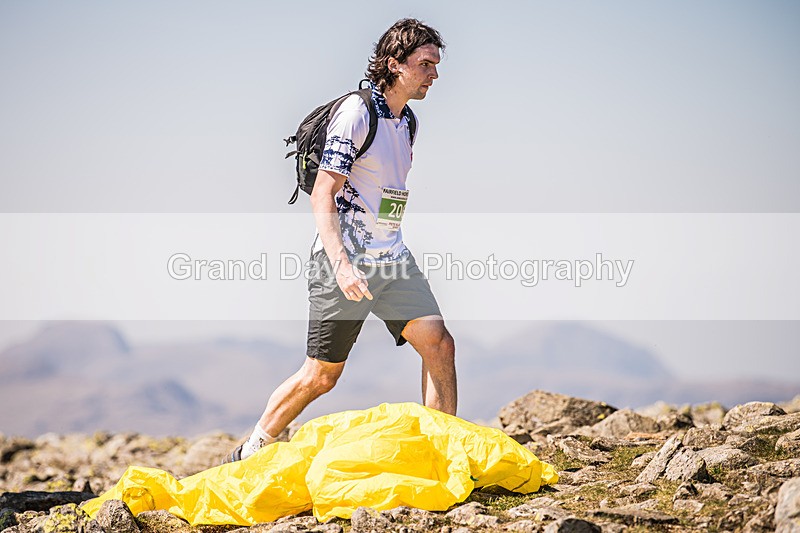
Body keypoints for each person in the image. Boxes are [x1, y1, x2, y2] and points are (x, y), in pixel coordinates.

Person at [226, 18, 456, 462]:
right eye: (426, 63)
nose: (434, 73)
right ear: (395, 63)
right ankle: (251, 451)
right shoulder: (357, 112)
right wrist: (342, 264)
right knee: (321, 375)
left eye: (436, 64)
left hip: (391, 258)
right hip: (343, 261)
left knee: (438, 343)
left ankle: (444, 451)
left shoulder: (407, 122)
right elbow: (322, 194)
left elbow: (386, 193)